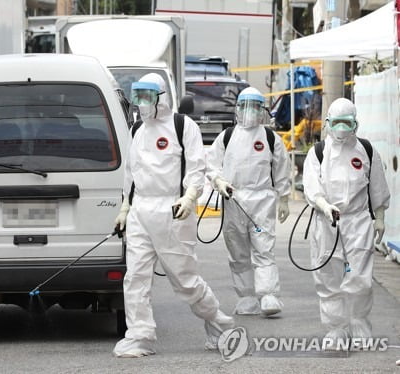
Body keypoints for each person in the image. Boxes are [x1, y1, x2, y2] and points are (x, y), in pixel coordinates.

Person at [112, 73, 234, 358]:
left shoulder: (183, 126)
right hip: (141, 211)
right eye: (138, 96)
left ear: (161, 96)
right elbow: (131, 175)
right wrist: (124, 209)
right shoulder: (137, 130)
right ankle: (140, 335)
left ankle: (219, 322)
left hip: (173, 212)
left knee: (185, 281)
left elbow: (196, 168)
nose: (142, 103)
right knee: (136, 277)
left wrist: (191, 197)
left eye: (147, 96)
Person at [302, 97, 390, 348]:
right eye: (337, 122)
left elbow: (378, 187)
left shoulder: (366, 150)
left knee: (360, 279)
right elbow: (311, 185)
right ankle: (336, 329)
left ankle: (359, 324)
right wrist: (323, 205)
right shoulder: (318, 152)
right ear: (328, 122)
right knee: (328, 279)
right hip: (326, 221)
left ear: (355, 124)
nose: (341, 128)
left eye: (346, 123)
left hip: (358, 222)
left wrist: (380, 217)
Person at [206, 86, 290, 316]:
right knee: (238, 251)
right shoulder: (227, 136)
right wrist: (218, 181)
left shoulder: (271, 138)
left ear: (262, 110)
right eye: (245, 106)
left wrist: (284, 198)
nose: (249, 111)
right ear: (238, 109)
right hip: (233, 199)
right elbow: (211, 164)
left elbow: (282, 169)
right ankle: (246, 297)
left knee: (264, 248)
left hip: (262, 199)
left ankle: (269, 295)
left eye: (254, 106)